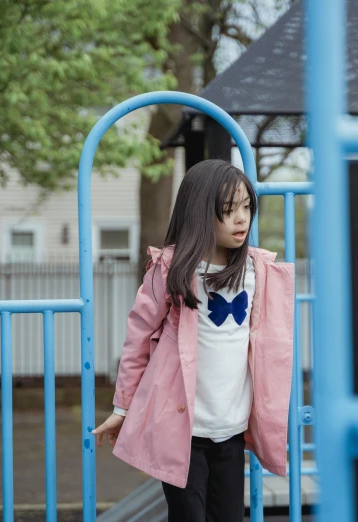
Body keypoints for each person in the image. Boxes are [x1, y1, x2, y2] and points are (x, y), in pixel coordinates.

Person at [92, 159, 294, 522]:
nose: (241, 218)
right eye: (228, 209)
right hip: (184, 428)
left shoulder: (256, 270)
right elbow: (138, 338)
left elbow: (270, 345)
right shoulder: (172, 270)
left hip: (231, 427)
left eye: (247, 206)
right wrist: (123, 408)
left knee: (229, 515)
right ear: (201, 211)